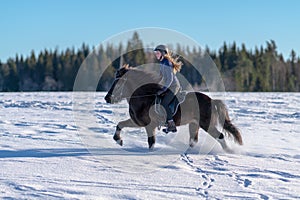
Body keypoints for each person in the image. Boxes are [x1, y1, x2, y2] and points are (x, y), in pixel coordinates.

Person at [154, 44, 183, 133]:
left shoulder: (167, 63)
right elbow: (161, 77)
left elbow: (170, 79)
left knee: (164, 103)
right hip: (168, 86)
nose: (156, 55)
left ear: (163, 53)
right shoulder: (162, 63)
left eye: (158, 53)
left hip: (174, 87)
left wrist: (163, 89)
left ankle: (171, 124)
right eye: (156, 53)